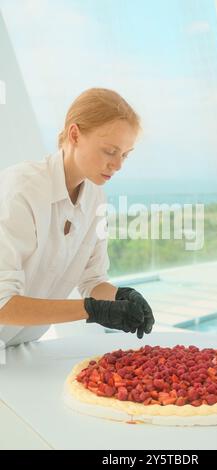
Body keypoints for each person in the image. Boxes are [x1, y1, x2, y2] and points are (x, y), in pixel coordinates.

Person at [0, 87, 155, 347]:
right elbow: (3, 305)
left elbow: (92, 281)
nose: (118, 165)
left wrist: (121, 297)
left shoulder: (95, 196)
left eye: (125, 155)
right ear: (75, 135)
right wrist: (91, 310)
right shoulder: (20, 191)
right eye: (109, 151)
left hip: (19, 348)